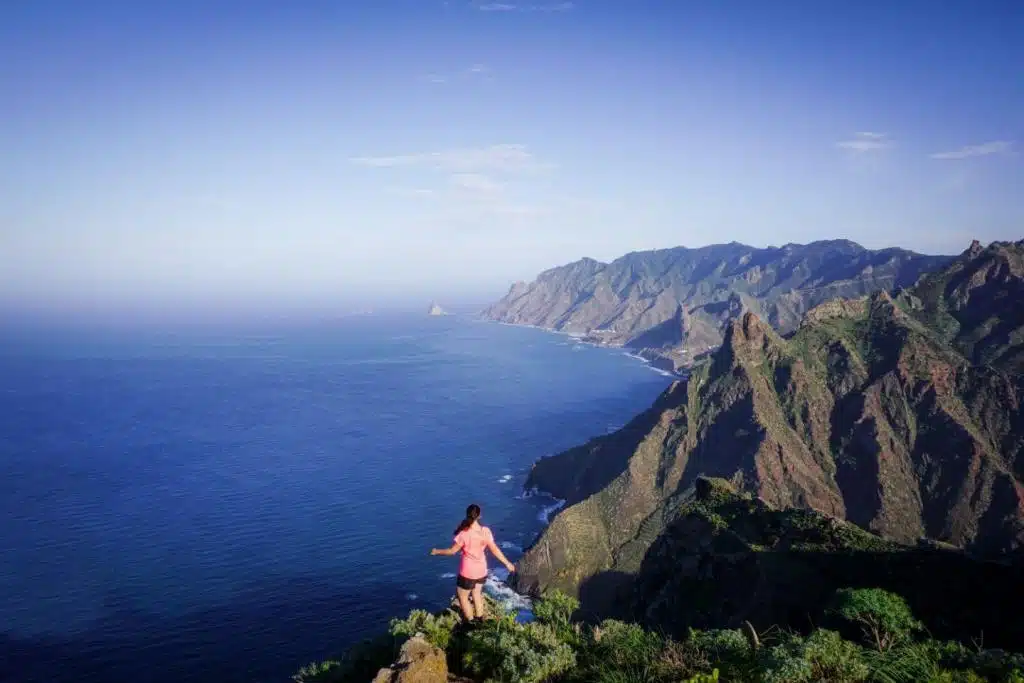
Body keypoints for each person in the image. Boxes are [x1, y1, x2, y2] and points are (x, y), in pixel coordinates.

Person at [430, 503, 515, 624]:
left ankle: (471, 623)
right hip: (481, 570)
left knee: (462, 597)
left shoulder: (464, 533)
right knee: (477, 593)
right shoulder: (485, 531)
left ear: (467, 515)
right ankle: (480, 620)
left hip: (468, 572)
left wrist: (437, 551)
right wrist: (507, 563)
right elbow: (494, 549)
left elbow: (452, 551)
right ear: (479, 516)